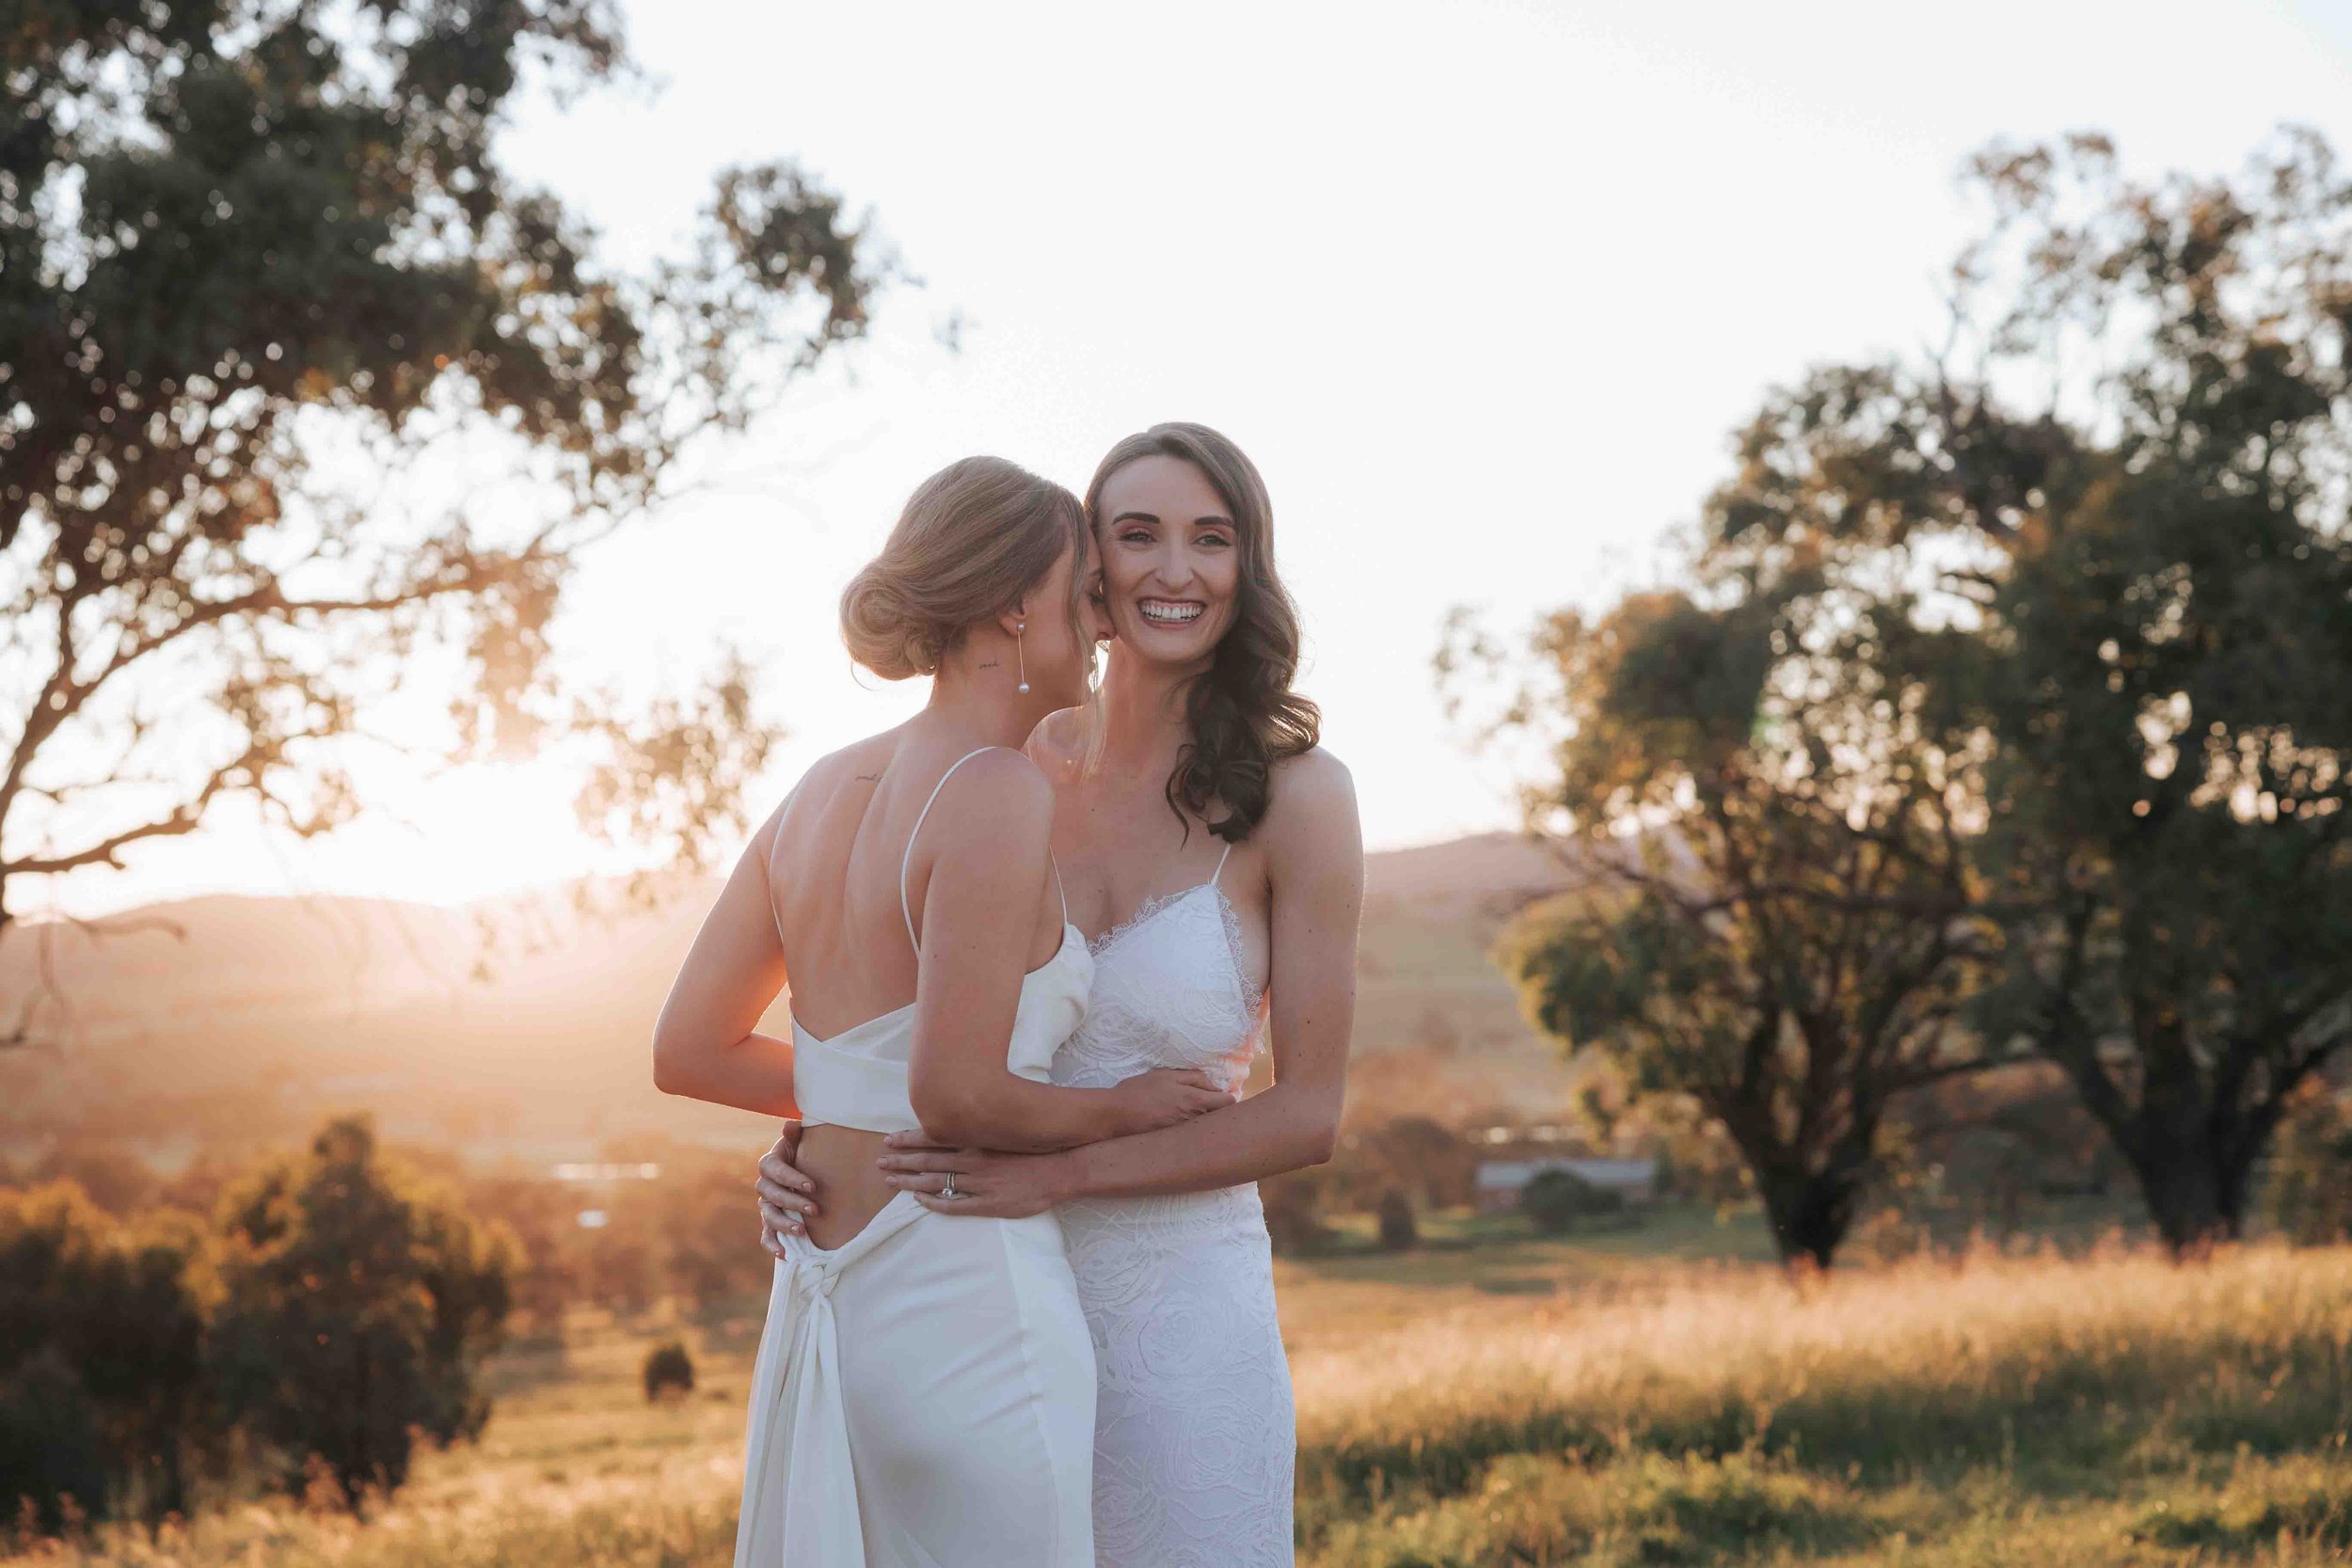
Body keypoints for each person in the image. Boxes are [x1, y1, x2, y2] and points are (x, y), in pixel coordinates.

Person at [756, 423, 1363, 1566]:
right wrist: (819, 1136)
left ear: (1248, 567)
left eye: (1211, 538)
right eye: (1138, 535)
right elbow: (899, 1029)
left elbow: (1306, 1111)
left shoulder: (1301, 797)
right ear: (1083, 568)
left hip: (1178, 1318)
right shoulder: (1002, 769)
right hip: (967, 1300)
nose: (1173, 570)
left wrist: (1064, 1170)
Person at [653, 454, 1230, 1568]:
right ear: (1016, 604)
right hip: (970, 1297)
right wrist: (1127, 1107)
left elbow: (690, 1047)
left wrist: (837, 1107)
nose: (1102, 625)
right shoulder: (995, 787)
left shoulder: (818, 788)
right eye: (1084, 594)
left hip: (830, 1290)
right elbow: (954, 1089)